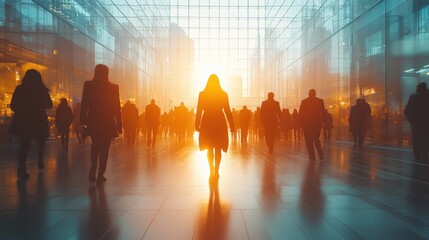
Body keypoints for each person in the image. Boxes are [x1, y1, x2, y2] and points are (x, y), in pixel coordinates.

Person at [80, 64, 122, 183]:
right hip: (108, 122)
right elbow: (116, 108)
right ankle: (100, 174)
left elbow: (84, 104)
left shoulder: (88, 85)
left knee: (95, 145)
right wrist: (119, 124)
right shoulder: (113, 88)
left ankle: (93, 169)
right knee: (105, 149)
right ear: (107, 73)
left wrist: (83, 122)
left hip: (93, 121)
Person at [9, 69, 53, 179]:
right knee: (41, 140)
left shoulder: (20, 89)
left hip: (23, 120)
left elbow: (13, 105)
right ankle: (40, 159)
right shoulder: (41, 90)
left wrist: (23, 109)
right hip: (38, 120)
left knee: (25, 145)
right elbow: (49, 104)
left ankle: (22, 167)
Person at [195, 74, 235, 177]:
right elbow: (227, 110)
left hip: (207, 121)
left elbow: (199, 110)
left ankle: (210, 168)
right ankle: (216, 169)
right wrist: (232, 125)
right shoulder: (223, 94)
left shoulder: (202, 94)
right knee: (218, 147)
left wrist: (197, 124)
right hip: (219, 121)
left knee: (209, 147)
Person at [405, 82, 429, 161]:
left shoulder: (413, 97)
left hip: (416, 122)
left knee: (416, 138)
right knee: (426, 137)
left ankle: (417, 153)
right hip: (426, 121)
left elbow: (408, 109)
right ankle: (425, 153)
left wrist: (410, 119)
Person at [299, 89, 325, 160]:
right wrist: (323, 122)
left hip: (307, 124)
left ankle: (312, 155)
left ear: (308, 94)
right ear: (315, 94)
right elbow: (323, 112)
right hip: (317, 123)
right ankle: (320, 153)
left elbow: (301, 113)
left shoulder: (304, 101)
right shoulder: (320, 101)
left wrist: (301, 124)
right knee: (316, 138)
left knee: (308, 140)